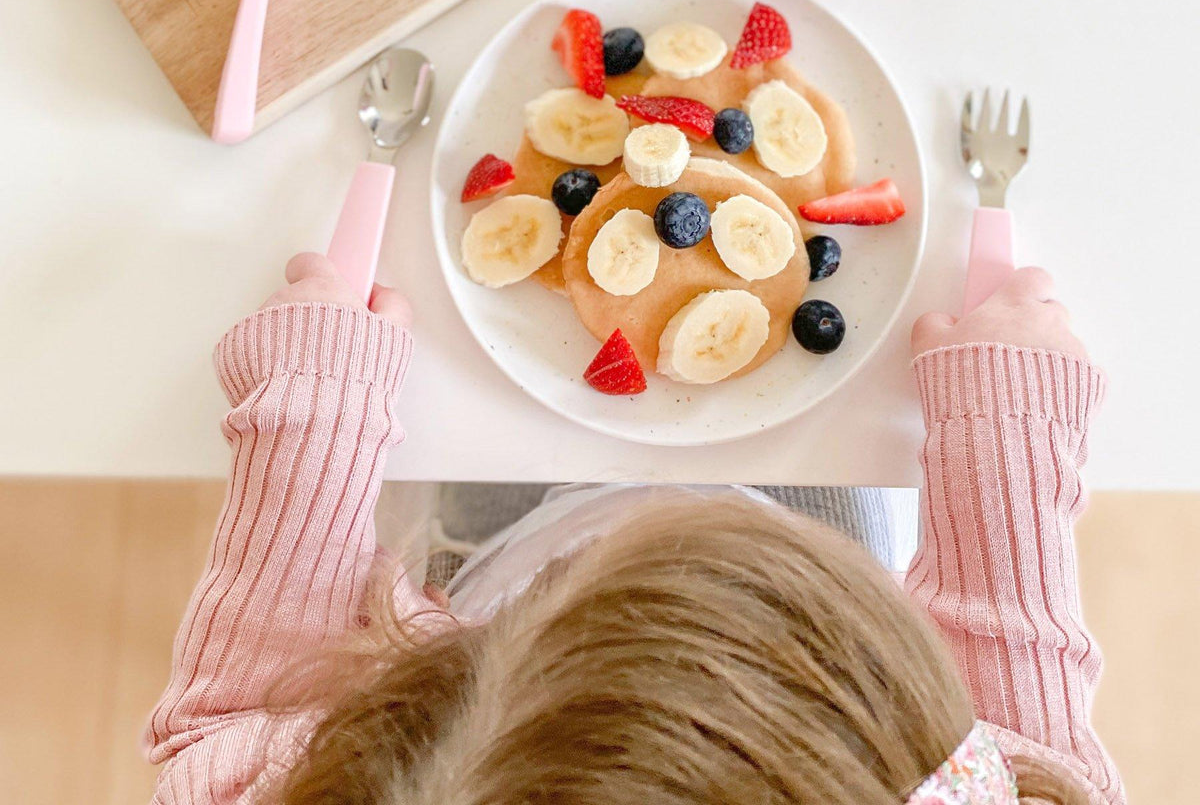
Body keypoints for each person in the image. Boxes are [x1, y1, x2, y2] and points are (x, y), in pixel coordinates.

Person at [143, 253, 1123, 805]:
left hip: (475, 578)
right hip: (823, 555)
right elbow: (1034, 739)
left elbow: (230, 724)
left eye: (564, 590)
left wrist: (309, 415)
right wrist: (1005, 432)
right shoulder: (990, 782)